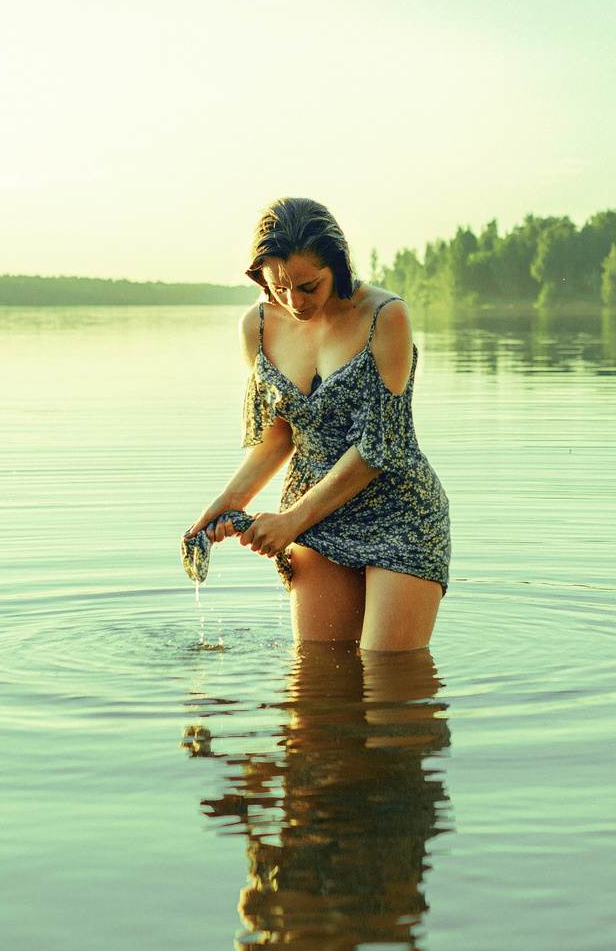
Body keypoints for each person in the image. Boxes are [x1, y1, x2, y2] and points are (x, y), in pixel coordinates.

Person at [185, 197, 451, 650]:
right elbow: (280, 436)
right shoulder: (257, 326)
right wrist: (226, 502)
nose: (295, 301)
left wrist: (290, 520)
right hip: (313, 518)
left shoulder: (385, 316)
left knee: (388, 684)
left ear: (338, 265)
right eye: (279, 287)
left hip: (399, 511)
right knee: (315, 693)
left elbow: (379, 447)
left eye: (310, 286)